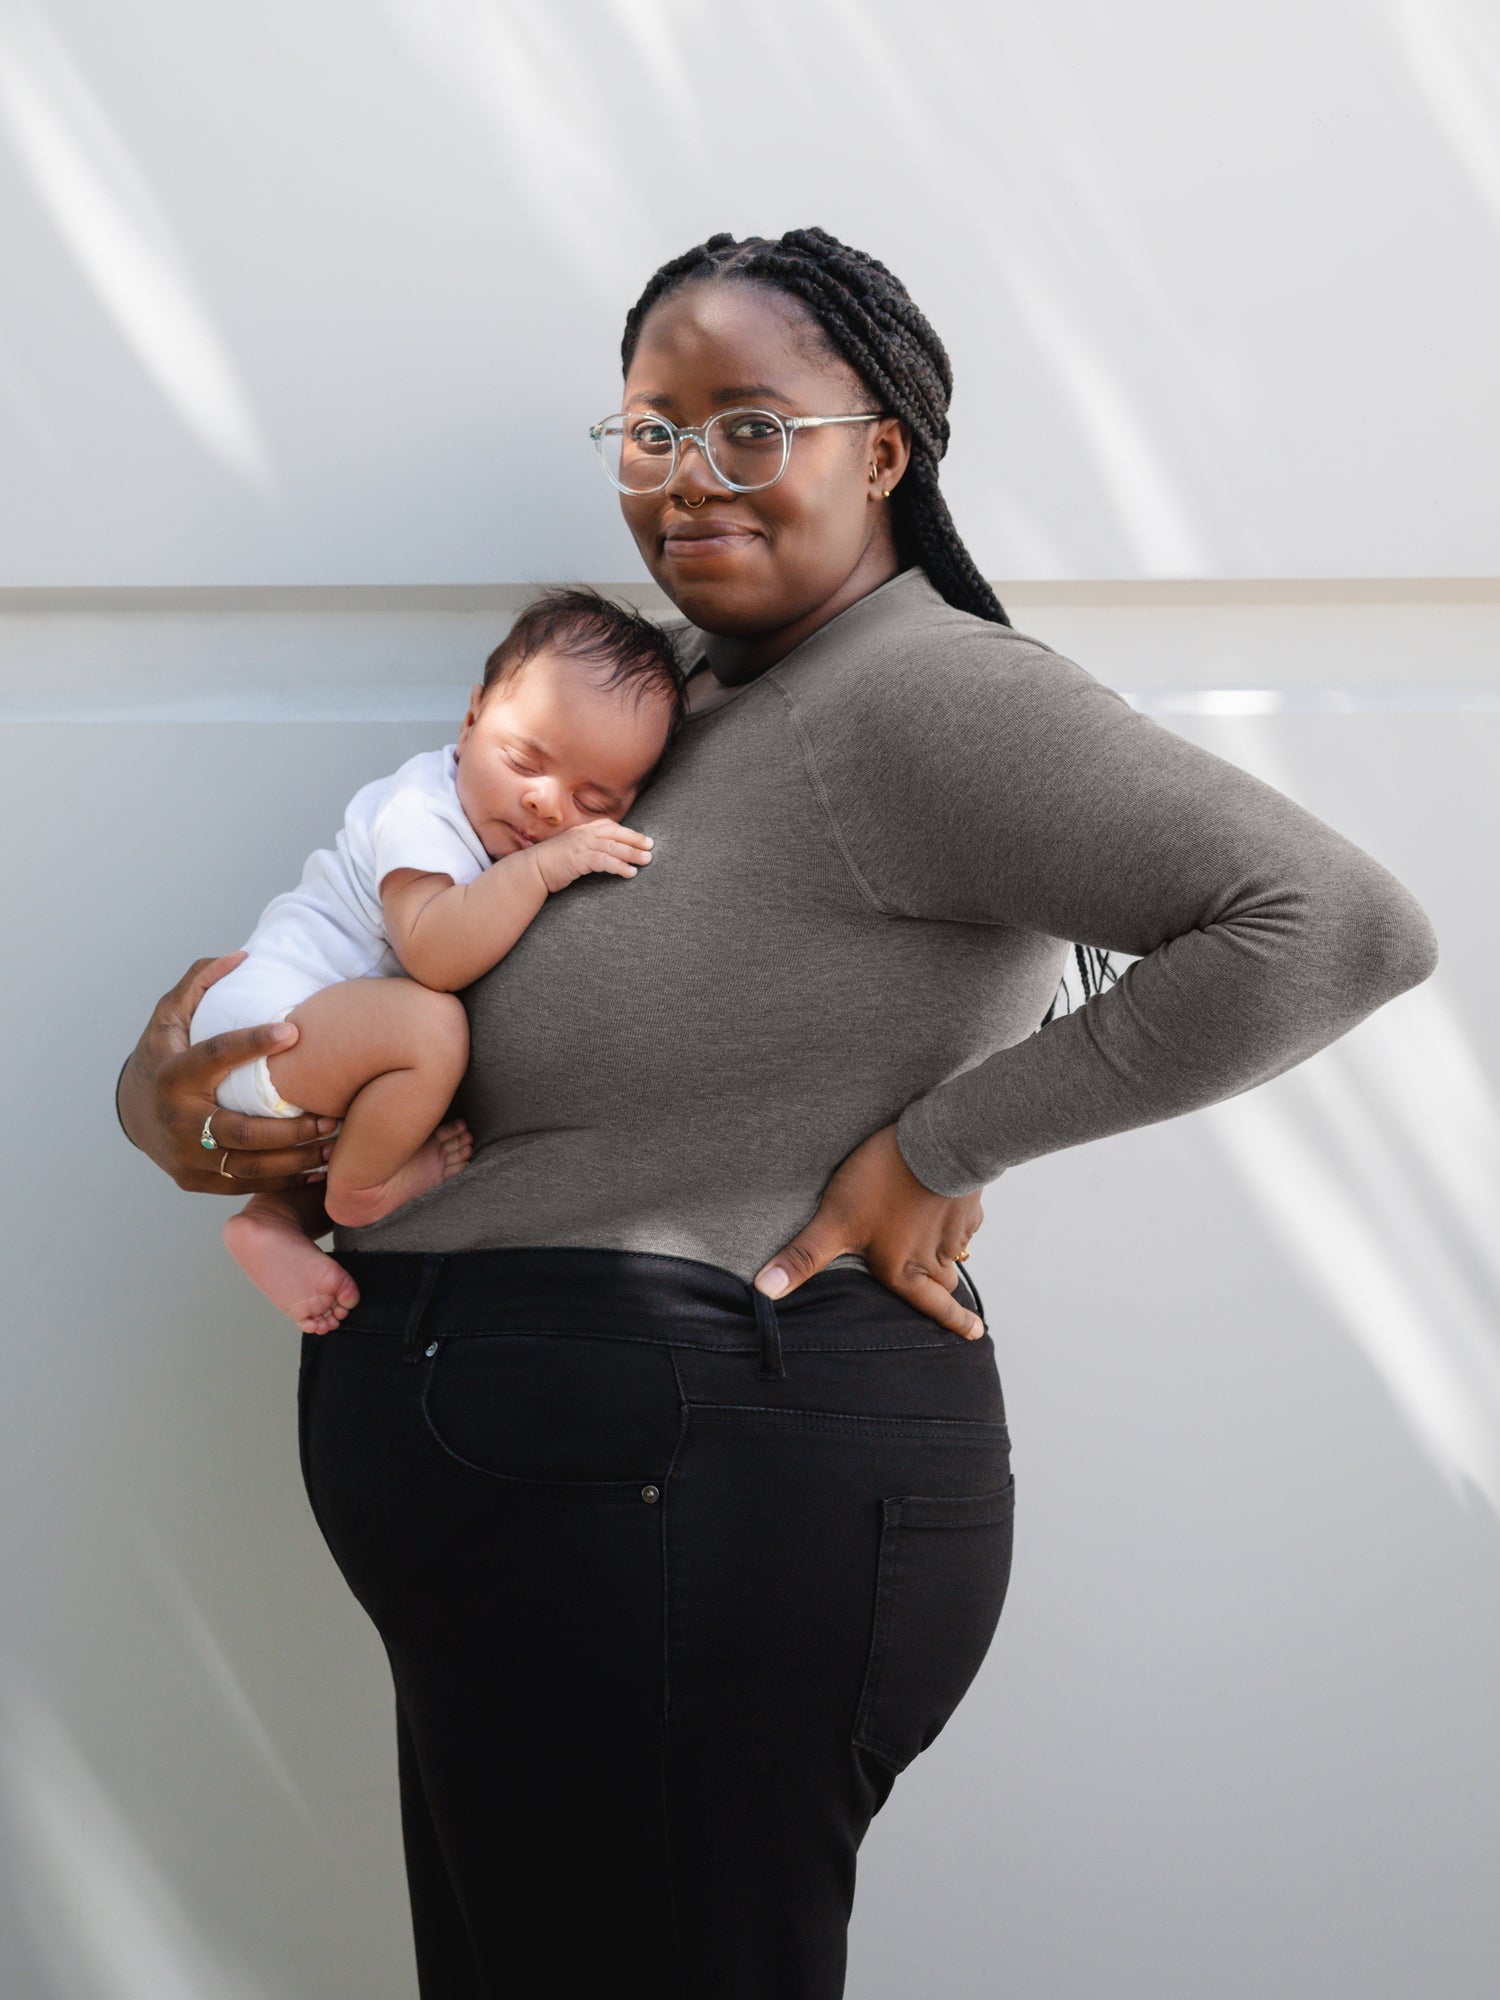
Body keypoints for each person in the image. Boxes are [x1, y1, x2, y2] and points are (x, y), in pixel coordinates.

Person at [117, 227, 1439, 2000]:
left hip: (695, 1500)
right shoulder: (648, 706)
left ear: (881, 449)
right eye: (650, 432)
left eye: (752, 427)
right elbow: (374, 983)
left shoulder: (926, 694)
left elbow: (1332, 928)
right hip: (560, 1504)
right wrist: (189, 1093)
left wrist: (935, 1152)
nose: (688, 477)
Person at [187, 587, 684, 1334]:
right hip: (266, 1026)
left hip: (316, 1052)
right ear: (472, 716)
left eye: (594, 800)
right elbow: (435, 953)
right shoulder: (420, 808)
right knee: (430, 1027)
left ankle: (272, 1223)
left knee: (402, 1080)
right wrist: (545, 870)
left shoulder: (492, 821)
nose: (548, 806)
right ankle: (360, 1193)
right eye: (525, 760)